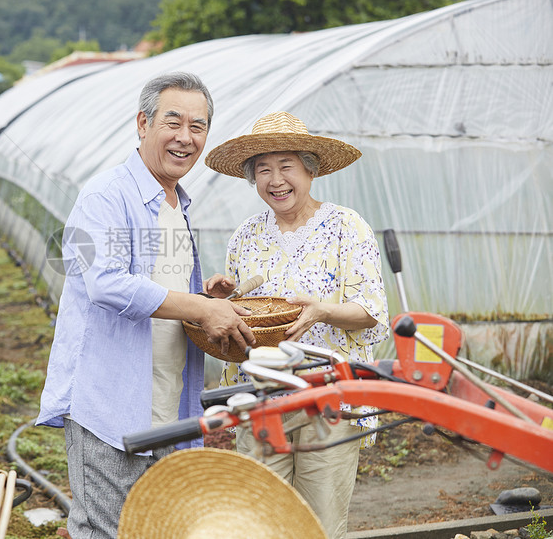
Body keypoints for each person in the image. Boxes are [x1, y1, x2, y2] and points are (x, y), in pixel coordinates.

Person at [37, 72, 256, 539]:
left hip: (167, 398)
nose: (185, 138)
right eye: (172, 122)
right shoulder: (106, 196)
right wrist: (199, 310)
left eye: (198, 127)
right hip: (111, 401)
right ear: (143, 123)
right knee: (106, 529)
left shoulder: (178, 204)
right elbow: (106, 283)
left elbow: (164, 290)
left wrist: (205, 300)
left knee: (154, 525)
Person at [203, 111, 390, 539]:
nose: (275, 180)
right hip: (261, 398)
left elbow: (371, 311)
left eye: (286, 166)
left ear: (310, 168)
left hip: (329, 397)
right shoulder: (247, 235)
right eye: (263, 169)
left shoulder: (347, 228)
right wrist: (224, 298)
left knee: (318, 523)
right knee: (258, 521)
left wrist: (323, 310)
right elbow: (242, 315)